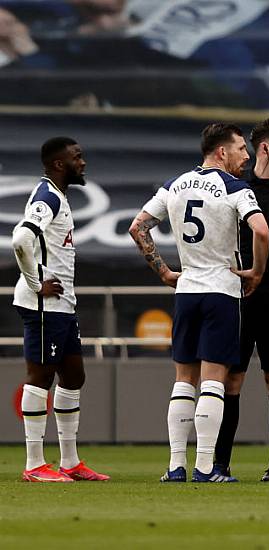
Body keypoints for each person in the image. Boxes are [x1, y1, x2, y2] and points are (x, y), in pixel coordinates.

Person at [128, 123, 269, 483]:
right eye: (240, 149)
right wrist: (255, 272)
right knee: (214, 381)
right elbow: (262, 230)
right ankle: (205, 466)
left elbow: (138, 227)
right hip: (221, 289)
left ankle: (175, 466)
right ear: (221, 152)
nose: (246, 155)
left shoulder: (174, 185)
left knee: (183, 380)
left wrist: (163, 271)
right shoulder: (235, 187)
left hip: (187, 289)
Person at [10, 137, 110, 483]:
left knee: (73, 376)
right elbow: (21, 239)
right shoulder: (48, 195)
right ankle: (34, 464)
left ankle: (69, 461)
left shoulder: (58, 195)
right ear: (58, 164)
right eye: (77, 157)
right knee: (41, 379)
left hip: (62, 306)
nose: (83, 162)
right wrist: (37, 281)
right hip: (42, 304)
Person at [212, 118, 269, 482]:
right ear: (266, 147)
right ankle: (220, 465)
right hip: (237, 295)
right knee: (230, 382)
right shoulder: (235, 187)